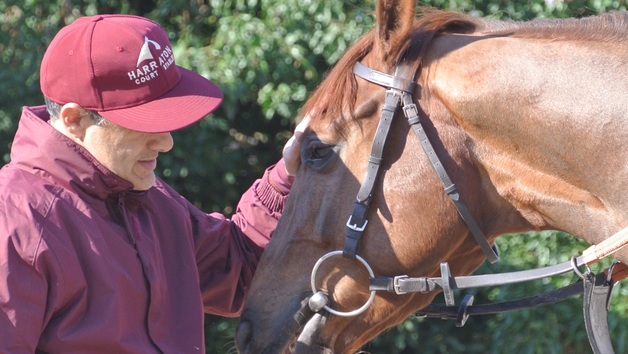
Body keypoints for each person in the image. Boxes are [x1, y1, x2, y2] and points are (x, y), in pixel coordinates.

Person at [0, 14, 303, 353]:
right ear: (75, 119)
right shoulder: (16, 221)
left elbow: (237, 270)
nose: (166, 143)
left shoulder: (143, 194)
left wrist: (286, 177)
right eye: (145, 123)